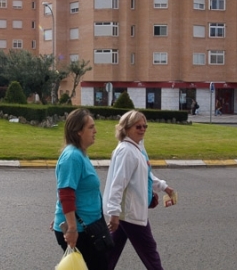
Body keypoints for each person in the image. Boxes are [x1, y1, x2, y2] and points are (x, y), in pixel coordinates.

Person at [103, 110, 175, 270]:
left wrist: (163, 187)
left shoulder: (136, 148)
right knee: (151, 254)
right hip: (130, 213)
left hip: (127, 212)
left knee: (111, 254)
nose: (142, 129)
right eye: (138, 126)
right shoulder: (127, 151)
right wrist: (114, 213)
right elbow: (118, 184)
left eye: (145, 126)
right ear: (126, 128)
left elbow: (145, 176)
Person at [52, 108, 108, 270]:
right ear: (78, 132)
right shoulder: (72, 157)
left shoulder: (80, 153)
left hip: (88, 226)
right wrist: (71, 227)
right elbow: (66, 193)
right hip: (80, 231)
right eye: (90, 127)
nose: (95, 131)